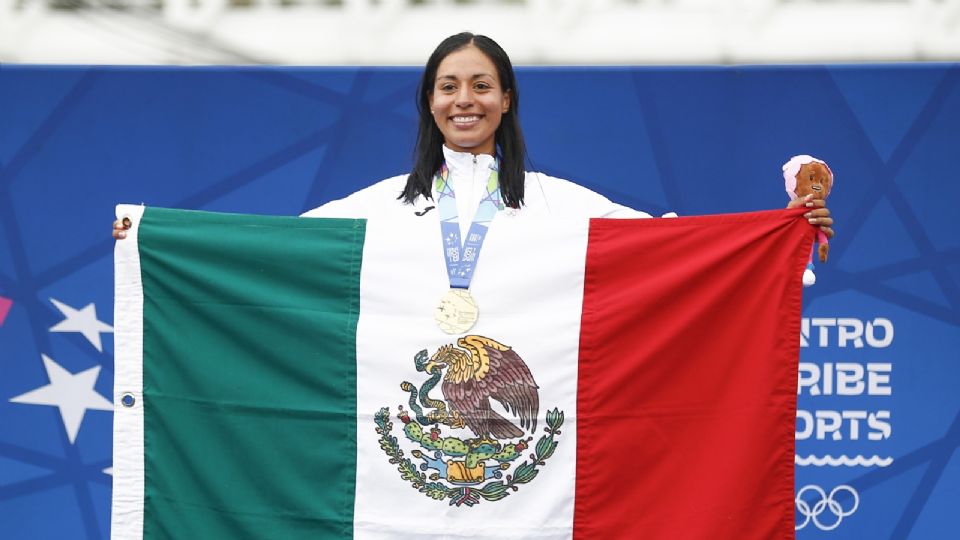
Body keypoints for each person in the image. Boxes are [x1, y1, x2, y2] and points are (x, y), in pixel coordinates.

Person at [115, 32, 833, 241]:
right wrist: (156, 242)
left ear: (506, 100)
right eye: (449, 86)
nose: (466, 99)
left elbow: (666, 251)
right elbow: (272, 254)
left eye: (481, 85)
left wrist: (779, 232)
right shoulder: (375, 211)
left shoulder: (560, 206)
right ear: (429, 103)